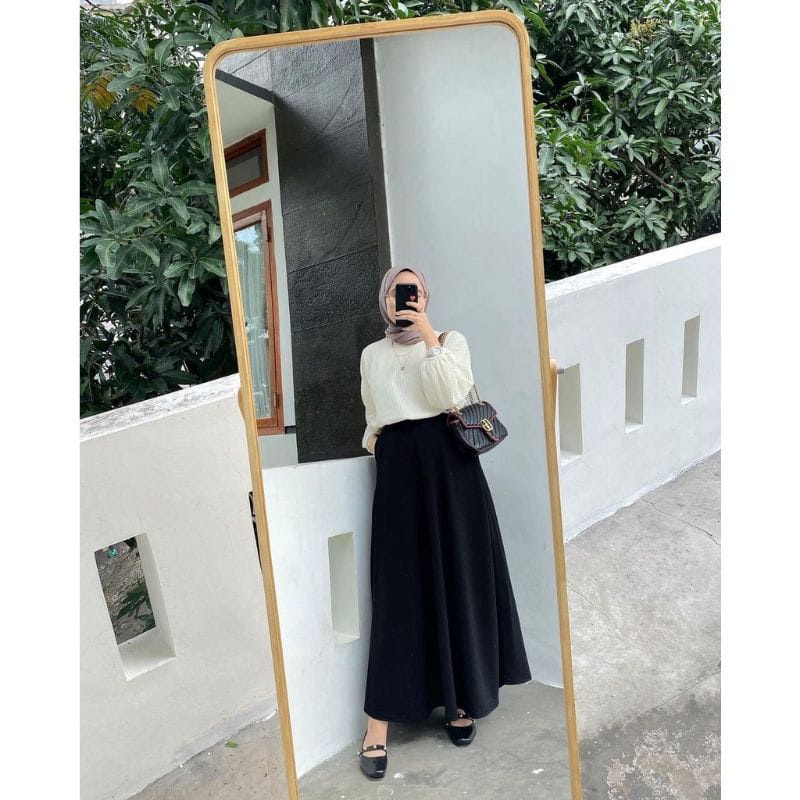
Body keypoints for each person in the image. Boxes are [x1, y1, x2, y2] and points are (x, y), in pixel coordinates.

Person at [356, 265, 532, 781]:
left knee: (458, 580)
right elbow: (373, 412)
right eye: (397, 291)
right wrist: (381, 448)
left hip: (451, 472)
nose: (405, 298)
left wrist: (429, 336)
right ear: (384, 299)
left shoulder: (451, 341)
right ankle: (378, 723)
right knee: (397, 591)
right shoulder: (371, 354)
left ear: (426, 297)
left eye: (414, 291)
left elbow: (451, 396)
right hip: (398, 473)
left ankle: (460, 701)